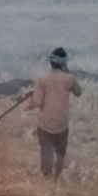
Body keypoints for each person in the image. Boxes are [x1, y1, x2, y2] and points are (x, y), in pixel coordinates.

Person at [24, 47, 82, 180]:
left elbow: (38, 102)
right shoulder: (70, 79)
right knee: (60, 152)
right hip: (62, 124)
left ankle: (47, 177)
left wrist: (28, 105)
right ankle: (56, 177)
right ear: (64, 63)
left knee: (46, 150)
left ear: (51, 62)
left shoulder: (42, 79)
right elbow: (78, 93)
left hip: (45, 124)